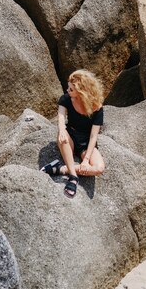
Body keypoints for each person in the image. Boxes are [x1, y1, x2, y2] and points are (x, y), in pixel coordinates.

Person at [41, 69, 105, 198]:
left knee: (99, 168)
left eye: (71, 89)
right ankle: (73, 177)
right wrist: (62, 130)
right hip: (70, 135)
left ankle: (60, 169)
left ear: (82, 91)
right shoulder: (66, 99)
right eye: (68, 87)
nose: (67, 91)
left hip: (86, 142)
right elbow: (60, 117)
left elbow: (93, 136)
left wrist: (86, 160)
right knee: (62, 137)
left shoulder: (96, 107)